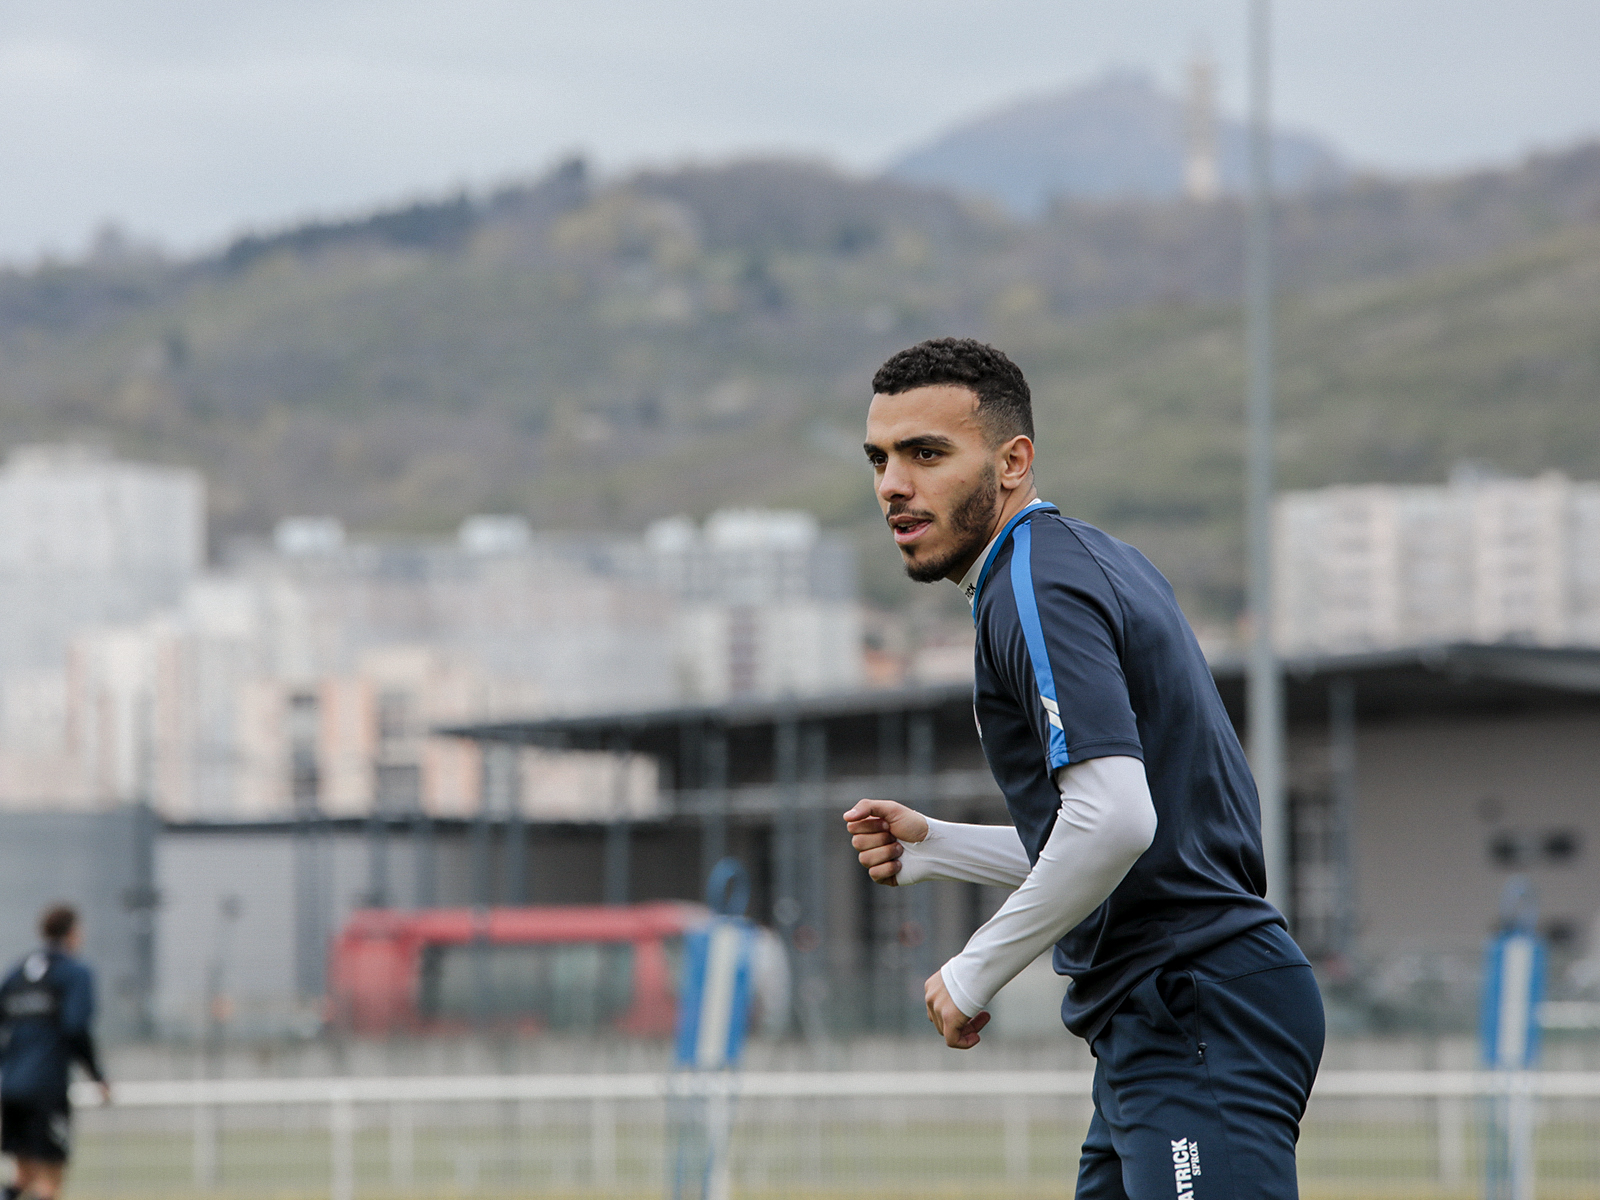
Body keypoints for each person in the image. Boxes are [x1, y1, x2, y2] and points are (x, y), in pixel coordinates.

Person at [846, 338, 1324, 1199]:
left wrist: (975, 970)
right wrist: (940, 848)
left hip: (1192, 1005)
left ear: (1013, 462)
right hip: (1165, 1013)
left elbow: (1114, 823)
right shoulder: (1077, 562)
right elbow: (1143, 836)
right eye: (880, 459)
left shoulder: (1031, 585)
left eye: (927, 454)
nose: (893, 484)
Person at [0, 906, 110, 1200]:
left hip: (11, 1087)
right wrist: (98, 1076)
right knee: (50, 1183)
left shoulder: (16, 973)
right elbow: (75, 1028)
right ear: (73, 933)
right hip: (46, 1087)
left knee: (22, 1177)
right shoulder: (75, 973)